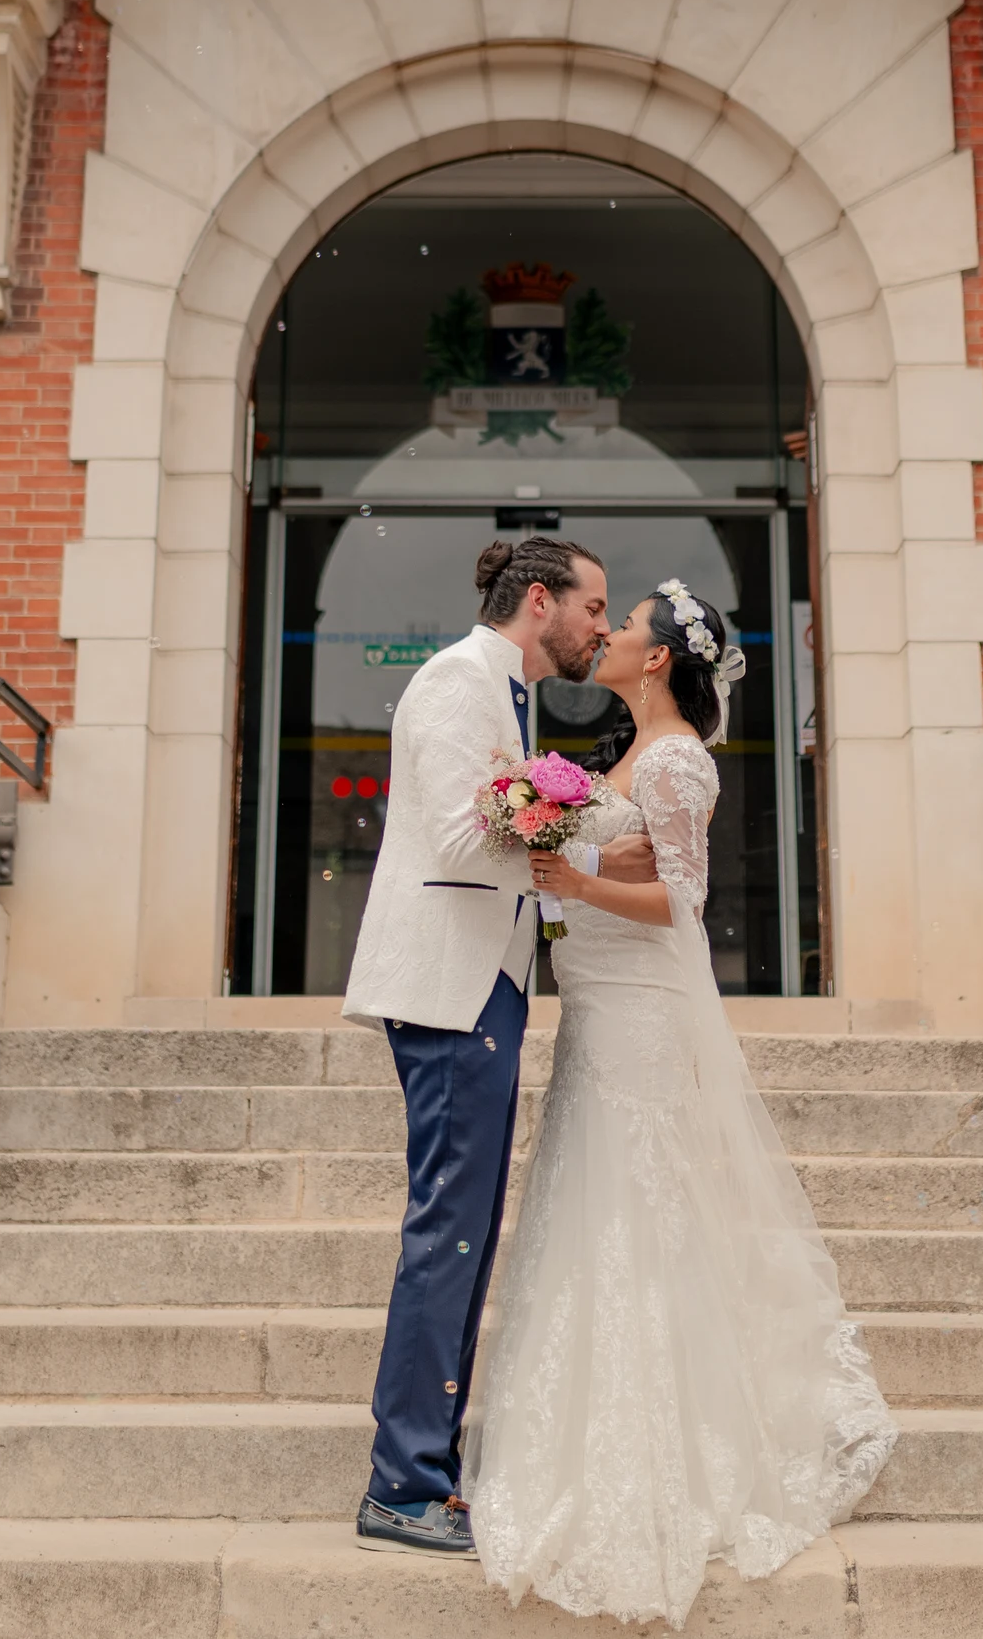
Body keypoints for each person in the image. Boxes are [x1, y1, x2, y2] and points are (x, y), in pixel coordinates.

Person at [464, 580, 898, 1627]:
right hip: (598, 1009)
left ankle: (659, 1445)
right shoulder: (629, 754)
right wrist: (557, 845)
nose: (607, 632)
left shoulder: (674, 760)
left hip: (641, 1016)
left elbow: (683, 900)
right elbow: (623, 857)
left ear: (658, 657)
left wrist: (574, 885)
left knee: (637, 1211)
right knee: (594, 1207)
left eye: (624, 625)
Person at [343, 533, 661, 1556]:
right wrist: (586, 839)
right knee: (448, 1233)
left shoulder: (505, 691)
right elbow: (456, 834)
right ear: (538, 601)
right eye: (592, 606)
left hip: (487, 983)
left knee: (466, 1234)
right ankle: (401, 1487)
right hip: (448, 989)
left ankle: (427, 1474)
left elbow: (504, 813)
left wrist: (568, 819)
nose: (601, 627)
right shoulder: (454, 682)